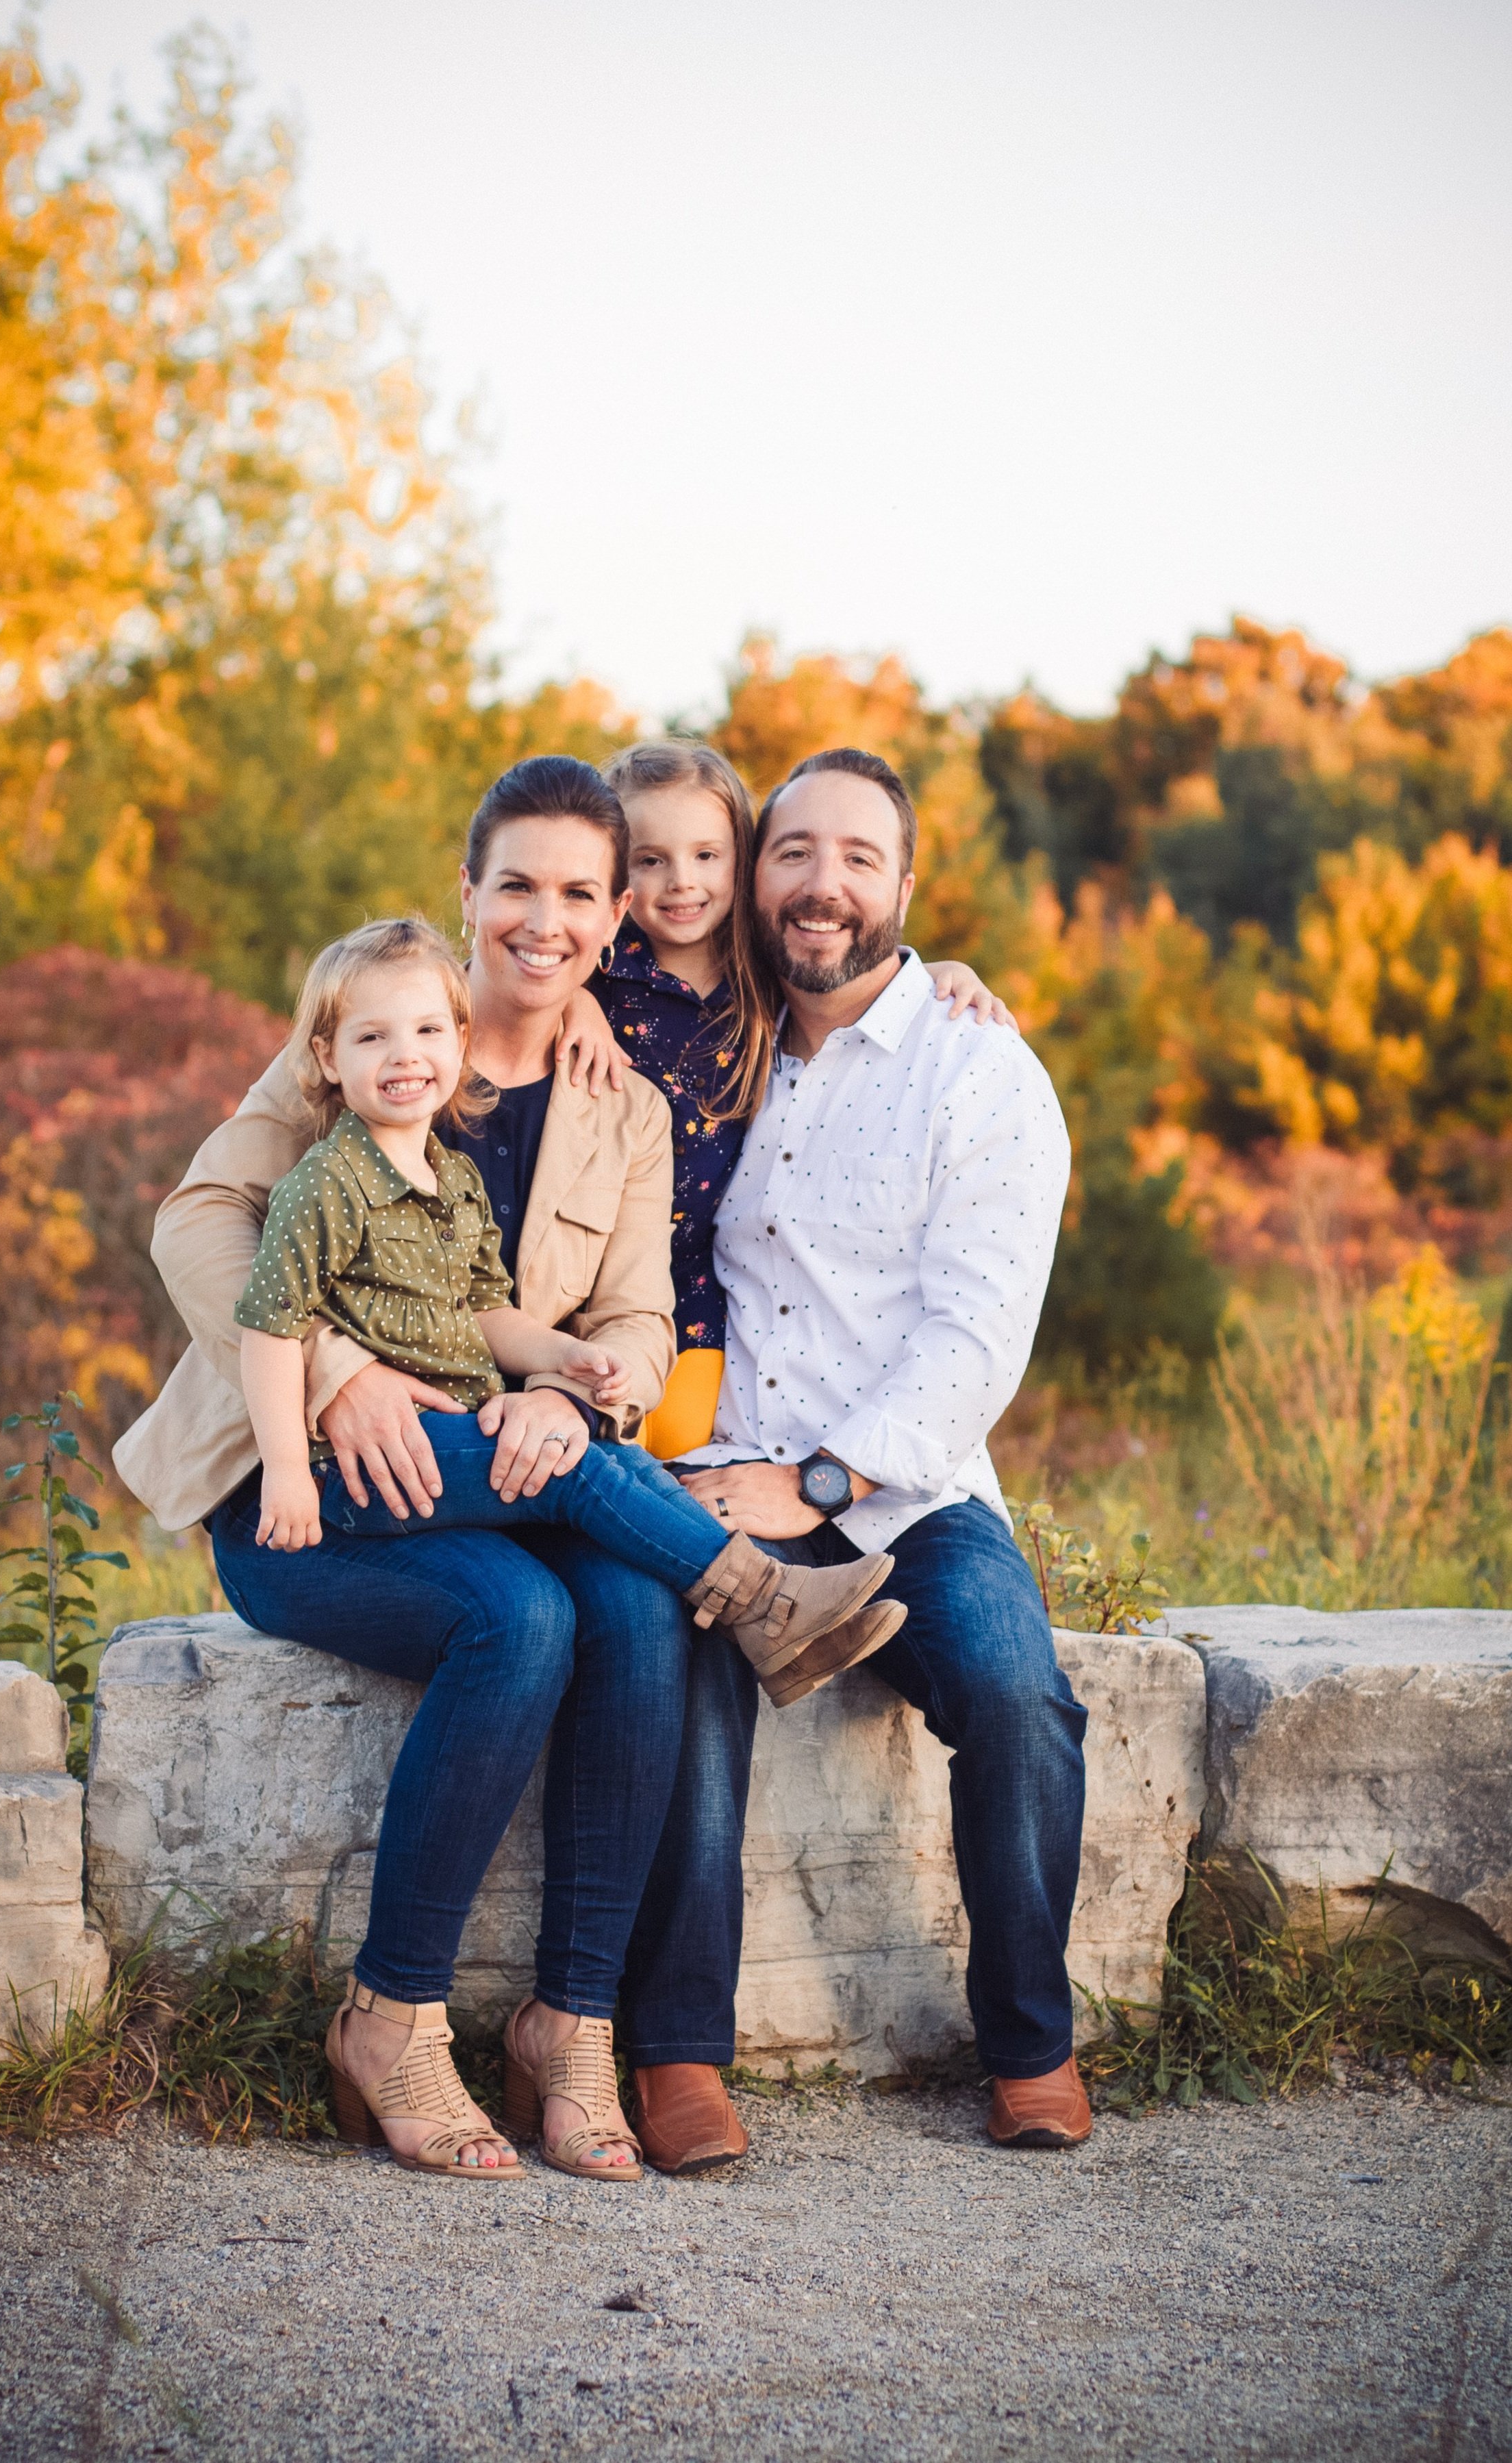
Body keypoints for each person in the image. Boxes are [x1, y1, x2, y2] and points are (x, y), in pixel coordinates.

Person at [116, 757, 697, 2182]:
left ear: (614, 915)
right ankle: (391, 2018)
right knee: (524, 1619)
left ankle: (570, 2025)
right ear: (469, 891)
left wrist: (582, 1395)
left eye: (577, 893)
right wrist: (333, 1370)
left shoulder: (623, 1108)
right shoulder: (370, 1025)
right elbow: (196, 1220)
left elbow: (635, 1312)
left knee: (623, 1615)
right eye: (516, 885)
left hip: (503, 1474)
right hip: (305, 1488)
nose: (542, 921)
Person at [659, 745, 1094, 2155]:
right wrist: (764, 1491)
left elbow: (976, 1335)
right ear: (752, 876)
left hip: (908, 1493)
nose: (821, 883)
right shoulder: (702, 1051)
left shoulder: (980, 1071)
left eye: (857, 856)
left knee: (1017, 1694)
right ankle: (678, 2053)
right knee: (687, 1676)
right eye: (792, 852)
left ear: (908, 883)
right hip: (725, 1469)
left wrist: (828, 1480)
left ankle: (1029, 2042)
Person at [236, 910, 905, 1710]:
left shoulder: (449, 1180)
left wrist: (559, 1360)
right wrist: (284, 1465)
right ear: (327, 1056)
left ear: (456, 1039)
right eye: (373, 1039)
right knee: (574, 1467)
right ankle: (764, 1601)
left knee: (615, 1454)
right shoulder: (328, 1179)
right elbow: (268, 1326)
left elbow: (485, 1311)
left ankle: (771, 1618)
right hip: (368, 1459)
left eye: (423, 1032)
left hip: (456, 1424)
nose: (403, 1055)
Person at [594, 739, 1011, 1460]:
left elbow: (855, 965)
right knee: (593, 1486)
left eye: (706, 856)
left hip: (694, 1314)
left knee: (659, 1489)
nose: (681, 882)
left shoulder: (756, 978)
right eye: (649, 859)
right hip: (583, 1296)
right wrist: (565, 1005)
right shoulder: (595, 970)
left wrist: (941, 970)